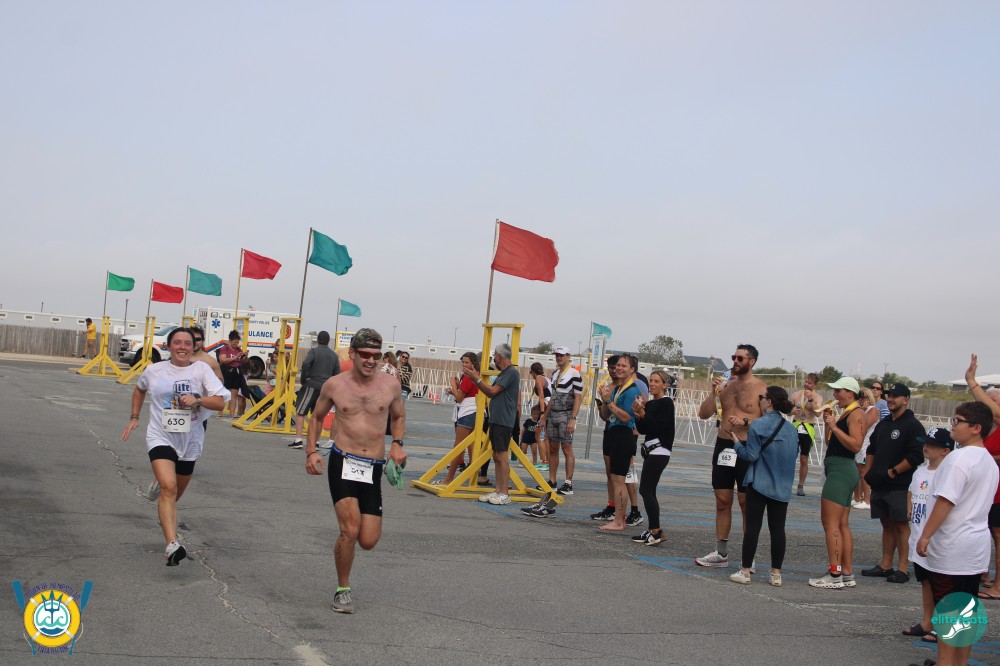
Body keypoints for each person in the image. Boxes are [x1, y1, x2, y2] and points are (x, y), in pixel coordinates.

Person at [303, 328, 406, 614]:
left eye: (376, 355)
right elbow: (317, 418)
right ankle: (342, 589)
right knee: (349, 529)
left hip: (372, 467)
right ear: (352, 353)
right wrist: (311, 451)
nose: (371, 360)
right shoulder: (335, 385)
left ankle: (347, 556)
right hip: (344, 462)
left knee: (368, 540)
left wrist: (397, 445)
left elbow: (398, 416)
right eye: (365, 354)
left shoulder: (390, 385)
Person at [120, 328, 229, 565]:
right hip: (161, 435)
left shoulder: (201, 370)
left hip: (190, 439)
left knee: (173, 495)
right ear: (168, 346)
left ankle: (160, 487)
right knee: (169, 488)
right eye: (177, 342)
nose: (182, 347)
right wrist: (134, 417)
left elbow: (221, 403)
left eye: (187, 343)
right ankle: (172, 545)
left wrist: (198, 399)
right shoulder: (154, 370)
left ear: (193, 347)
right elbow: (139, 389)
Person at [916, 401, 999, 666]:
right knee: (966, 610)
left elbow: (946, 500)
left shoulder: (958, 458)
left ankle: (945, 663)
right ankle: (959, 662)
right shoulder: (989, 461)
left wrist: (926, 535)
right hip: (975, 545)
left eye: (957, 421)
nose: (952, 425)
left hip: (952, 545)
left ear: (976, 428)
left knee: (948, 611)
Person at [695, 344, 766, 568]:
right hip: (724, 445)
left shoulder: (760, 388)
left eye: (740, 358)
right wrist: (713, 391)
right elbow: (703, 414)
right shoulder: (726, 386)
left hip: (747, 446)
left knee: (746, 502)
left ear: (752, 362)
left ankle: (749, 556)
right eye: (734, 357)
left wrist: (745, 421)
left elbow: (769, 422)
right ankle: (721, 552)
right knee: (722, 500)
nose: (735, 361)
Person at [729, 386, 798, 586]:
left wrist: (736, 443)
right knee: (778, 529)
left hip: (759, 482)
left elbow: (751, 455)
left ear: (769, 401)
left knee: (753, 527)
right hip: (782, 485)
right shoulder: (791, 430)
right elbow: (793, 456)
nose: (760, 400)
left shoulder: (758, 424)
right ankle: (776, 573)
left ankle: (745, 571)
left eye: (762, 397)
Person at [861, 383, 925, 584]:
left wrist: (894, 471)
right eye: (889, 396)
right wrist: (869, 471)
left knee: (900, 525)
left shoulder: (913, 425)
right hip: (880, 483)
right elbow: (871, 448)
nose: (890, 399)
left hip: (900, 485)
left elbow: (916, 455)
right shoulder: (884, 423)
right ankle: (886, 564)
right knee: (886, 523)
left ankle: (903, 568)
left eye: (895, 396)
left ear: (906, 400)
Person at [809, 376, 865, 589]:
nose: (834, 395)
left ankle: (834, 573)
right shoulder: (848, 413)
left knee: (830, 523)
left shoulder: (856, 413)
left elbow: (856, 445)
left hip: (841, 470)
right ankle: (846, 572)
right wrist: (829, 423)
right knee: (841, 524)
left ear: (850, 393)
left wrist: (834, 425)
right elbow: (830, 441)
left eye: (838, 391)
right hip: (840, 469)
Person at [901, 427, 953, 643]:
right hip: (918, 534)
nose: (926, 447)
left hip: (935, 538)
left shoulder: (947, 474)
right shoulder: (920, 472)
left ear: (945, 450)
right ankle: (927, 621)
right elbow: (911, 491)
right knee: (925, 582)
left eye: (933, 445)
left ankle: (943, 625)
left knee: (941, 584)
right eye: (926, 443)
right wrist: (909, 508)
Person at [463, 343, 520, 505]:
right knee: (496, 456)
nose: (494, 358)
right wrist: (476, 380)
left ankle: (505, 493)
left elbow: (492, 391)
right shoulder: (503, 373)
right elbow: (489, 391)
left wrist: (476, 379)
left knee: (502, 456)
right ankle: (498, 490)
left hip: (503, 420)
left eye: (495, 355)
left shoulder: (511, 372)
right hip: (496, 419)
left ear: (500, 356)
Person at [964, 356, 1000, 592]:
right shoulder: (984, 428)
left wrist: (972, 382)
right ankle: (982, 572)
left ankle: (998, 585)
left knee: (997, 533)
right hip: (985, 487)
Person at [596, 354, 643, 531]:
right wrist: (604, 400)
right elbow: (605, 416)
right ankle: (618, 518)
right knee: (615, 478)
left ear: (632, 369)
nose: (619, 368)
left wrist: (609, 401)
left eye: (624, 366)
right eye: (618, 365)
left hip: (624, 436)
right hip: (614, 434)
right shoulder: (618, 389)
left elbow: (626, 417)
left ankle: (619, 520)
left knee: (620, 480)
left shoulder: (632, 390)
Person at [631, 370, 675, 546]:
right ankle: (652, 530)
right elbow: (644, 429)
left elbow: (658, 427)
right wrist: (639, 415)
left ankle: (656, 531)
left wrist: (644, 414)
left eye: (657, 381)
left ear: (665, 385)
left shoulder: (666, 403)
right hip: (651, 451)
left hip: (660, 450)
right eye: (651, 380)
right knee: (650, 490)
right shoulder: (650, 404)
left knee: (645, 490)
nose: (652, 384)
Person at [537, 346, 582, 496]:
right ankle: (552, 481)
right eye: (557, 355)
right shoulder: (555, 374)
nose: (559, 358)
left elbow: (578, 398)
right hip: (553, 414)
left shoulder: (574, 373)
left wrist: (573, 419)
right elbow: (553, 397)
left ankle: (568, 483)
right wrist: (544, 416)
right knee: (553, 448)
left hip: (566, 414)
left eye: (562, 355)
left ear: (568, 356)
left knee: (567, 448)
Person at [289, 331, 340, 449]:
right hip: (325, 388)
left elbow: (306, 363)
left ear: (317, 340)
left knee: (301, 411)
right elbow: (337, 373)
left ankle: (298, 440)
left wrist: (304, 379)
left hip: (311, 385)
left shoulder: (314, 351)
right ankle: (316, 442)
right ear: (328, 341)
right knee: (319, 416)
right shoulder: (334, 355)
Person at [438, 352, 480, 485]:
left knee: (458, 446)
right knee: (471, 445)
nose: (464, 365)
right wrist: (456, 387)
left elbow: (460, 398)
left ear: (473, 363)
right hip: (475, 410)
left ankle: (449, 478)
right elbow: (465, 393)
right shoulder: (475, 375)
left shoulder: (468, 376)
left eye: (467, 362)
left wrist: (453, 385)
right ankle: (473, 476)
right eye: (463, 362)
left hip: (467, 411)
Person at [789, 372, 823, 496]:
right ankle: (787, 482)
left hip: (808, 426)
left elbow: (818, 413)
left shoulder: (818, 397)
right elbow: (788, 411)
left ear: (814, 385)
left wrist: (811, 399)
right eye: (806, 381)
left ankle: (800, 485)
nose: (807, 384)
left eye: (810, 383)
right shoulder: (796, 395)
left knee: (804, 458)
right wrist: (792, 410)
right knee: (790, 456)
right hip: (796, 425)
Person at [851, 388, 879, 509]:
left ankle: (867, 500)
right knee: (856, 472)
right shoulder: (860, 410)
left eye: (864, 397)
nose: (861, 400)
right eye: (860, 398)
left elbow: (864, 425)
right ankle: (857, 497)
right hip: (859, 443)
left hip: (867, 445)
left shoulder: (873, 410)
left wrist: (861, 411)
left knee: (864, 472)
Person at [216, 330, 250, 418]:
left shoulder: (238, 349)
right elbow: (222, 360)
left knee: (234, 394)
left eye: (237, 342)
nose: (236, 344)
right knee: (224, 393)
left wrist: (245, 356)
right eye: (235, 342)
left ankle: (232, 414)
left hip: (236, 372)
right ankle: (220, 412)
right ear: (230, 341)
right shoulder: (225, 349)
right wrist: (235, 358)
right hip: (226, 372)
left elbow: (243, 361)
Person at [529, 362, 551, 471]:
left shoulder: (538, 378)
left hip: (545, 407)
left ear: (533, 372)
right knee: (545, 436)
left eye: (530, 372)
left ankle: (544, 462)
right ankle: (548, 462)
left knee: (539, 435)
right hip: (549, 405)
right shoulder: (546, 378)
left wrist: (542, 413)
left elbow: (542, 396)